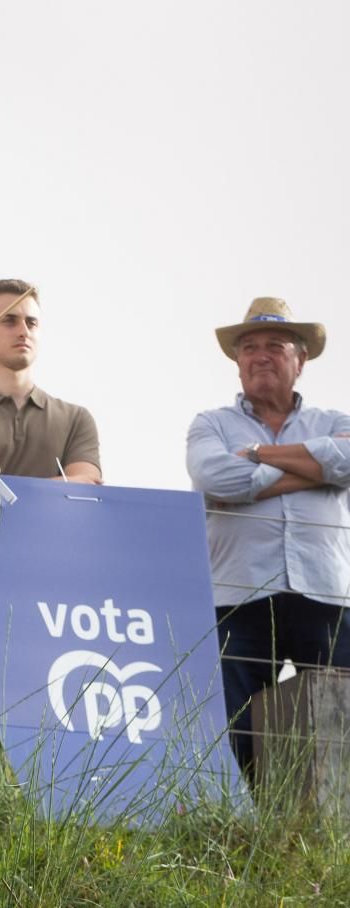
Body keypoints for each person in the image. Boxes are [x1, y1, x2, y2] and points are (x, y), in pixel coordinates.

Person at [187, 297, 350, 783]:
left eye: (275, 346)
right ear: (238, 363)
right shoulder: (210, 424)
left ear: (300, 360)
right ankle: (240, 828)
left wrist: (259, 454)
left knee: (340, 722)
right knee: (235, 724)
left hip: (326, 593)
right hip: (239, 594)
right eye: (249, 347)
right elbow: (215, 478)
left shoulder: (334, 421)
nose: (260, 355)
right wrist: (313, 470)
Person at [0, 278, 101, 783]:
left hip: (57, 580)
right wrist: (44, 491)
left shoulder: (75, 416)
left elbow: (85, 483)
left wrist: (6, 491)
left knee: (57, 695)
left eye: (31, 321)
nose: (22, 330)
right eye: (9, 320)